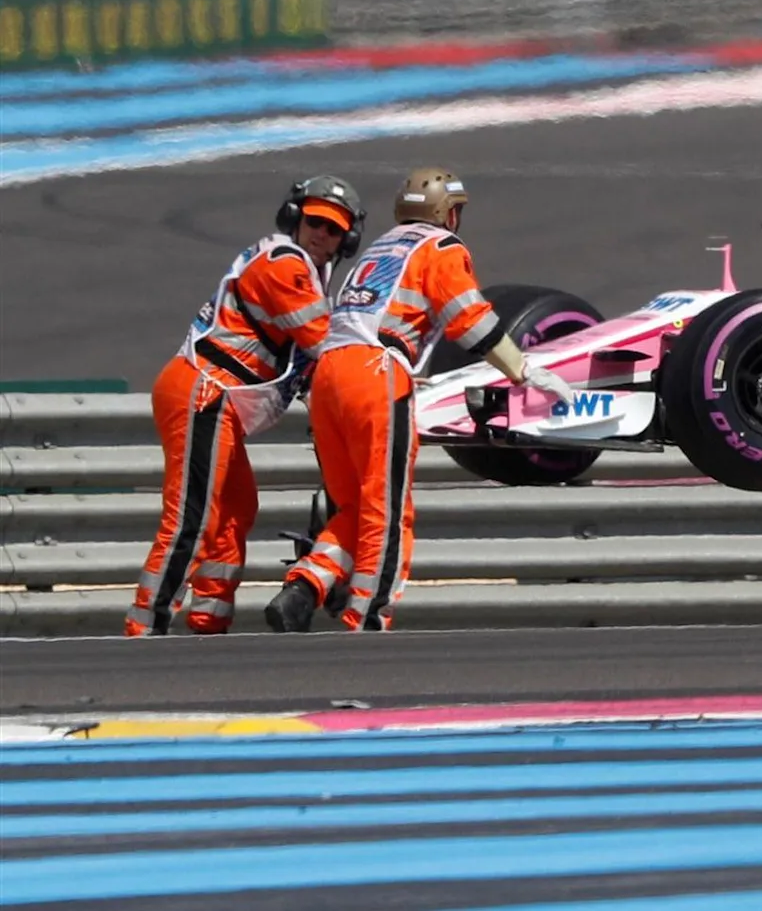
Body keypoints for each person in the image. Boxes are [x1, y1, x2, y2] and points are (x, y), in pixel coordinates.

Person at [269, 168, 564, 632]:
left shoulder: (380, 248)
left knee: (351, 509)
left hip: (328, 375)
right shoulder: (440, 246)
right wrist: (523, 370)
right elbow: (470, 321)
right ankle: (367, 615)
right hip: (375, 374)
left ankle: (306, 583)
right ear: (445, 212)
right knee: (386, 510)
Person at [126, 176, 358, 636]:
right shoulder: (284, 265)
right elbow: (325, 345)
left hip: (215, 396)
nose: (321, 234)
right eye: (314, 221)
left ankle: (209, 617)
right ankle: (146, 625)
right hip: (204, 390)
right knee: (191, 517)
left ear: (345, 241)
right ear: (295, 218)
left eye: (333, 230)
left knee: (235, 509)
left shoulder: (308, 272)